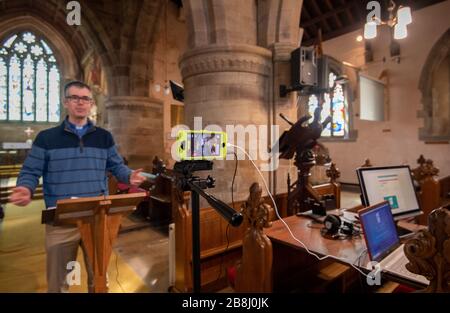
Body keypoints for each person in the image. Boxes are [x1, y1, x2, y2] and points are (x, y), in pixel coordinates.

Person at [9, 80, 146, 292]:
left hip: (97, 219)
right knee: (59, 283)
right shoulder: (46, 138)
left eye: (85, 99)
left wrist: (129, 176)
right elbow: (30, 170)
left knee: (99, 281)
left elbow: (116, 166)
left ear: (91, 103)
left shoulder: (103, 137)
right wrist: (25, 187)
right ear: (66, 102)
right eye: (74, 98)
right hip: (61, 222)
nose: (80, 103)